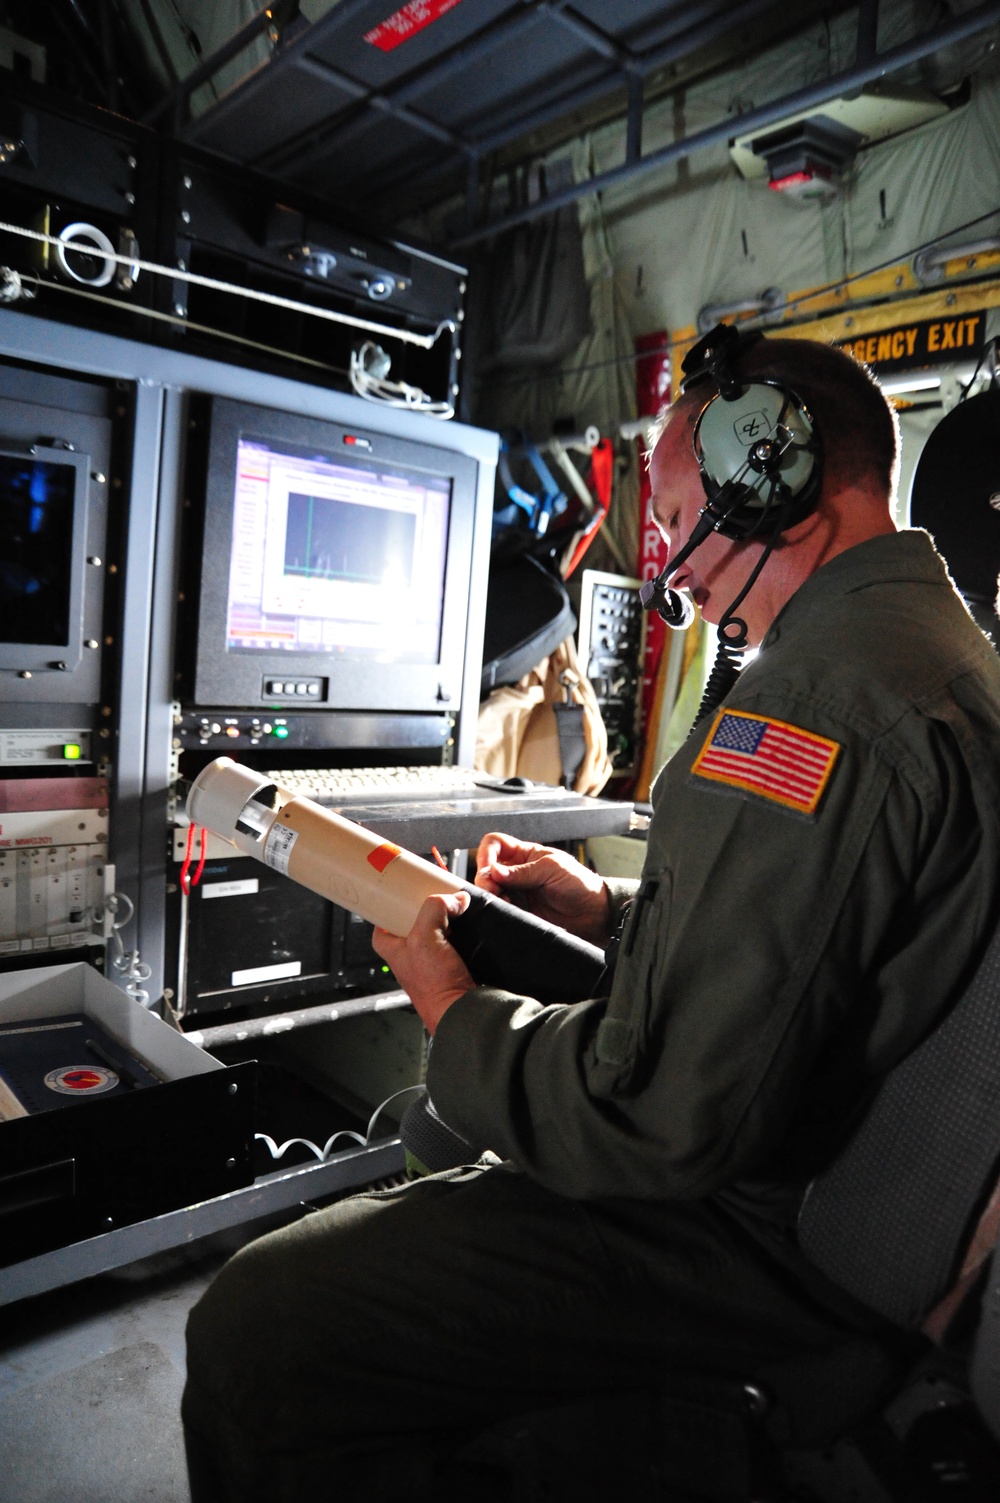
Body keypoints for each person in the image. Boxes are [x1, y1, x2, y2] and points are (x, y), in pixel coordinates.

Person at [182, 331, 1000, 1502]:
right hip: (837, 1180)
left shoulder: (814, 709)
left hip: (753, 1228)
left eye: (675, 511)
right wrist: (606, 907)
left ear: (763, 477)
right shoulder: (937, 653)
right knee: (434, 1138)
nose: (666, 549)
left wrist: (454, 1014)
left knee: (257, 1325)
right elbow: (833, 928)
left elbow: (655, 1114)